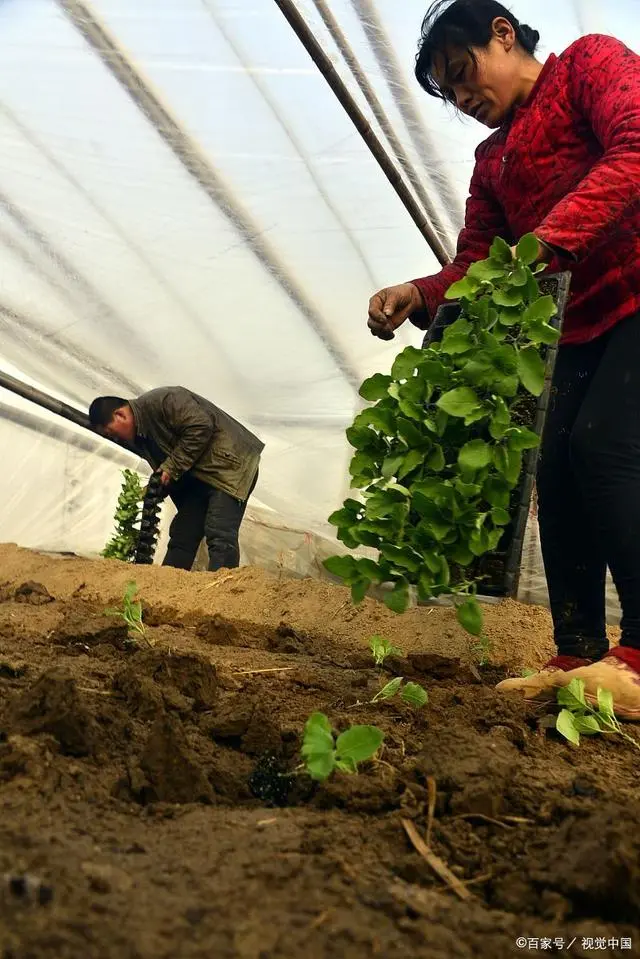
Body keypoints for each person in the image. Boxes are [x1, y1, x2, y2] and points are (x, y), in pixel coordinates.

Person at [367, 0, 640, 717]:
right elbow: (480, 264)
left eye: (462, 75)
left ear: (502, 33)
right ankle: (578, 651)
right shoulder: (493, 162)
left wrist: (546, 241)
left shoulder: (590, 64)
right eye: (451, 94)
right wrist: (419, 293)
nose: (464, 98)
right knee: (556, 469)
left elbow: (636, 146)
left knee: (605, 446)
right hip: (581, 326)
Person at [89, 387, 264, 572]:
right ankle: (165, 590)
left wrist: (171, 468)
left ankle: (223, 593)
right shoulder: (142, 438)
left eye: (110, 432)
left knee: (219, 533)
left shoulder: (164, 400)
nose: (114, 438)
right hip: (200, 478)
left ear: (120, 415)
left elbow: (201, 426)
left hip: (230, 466)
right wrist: (157, 488)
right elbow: (170, 467)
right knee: (183, 534)